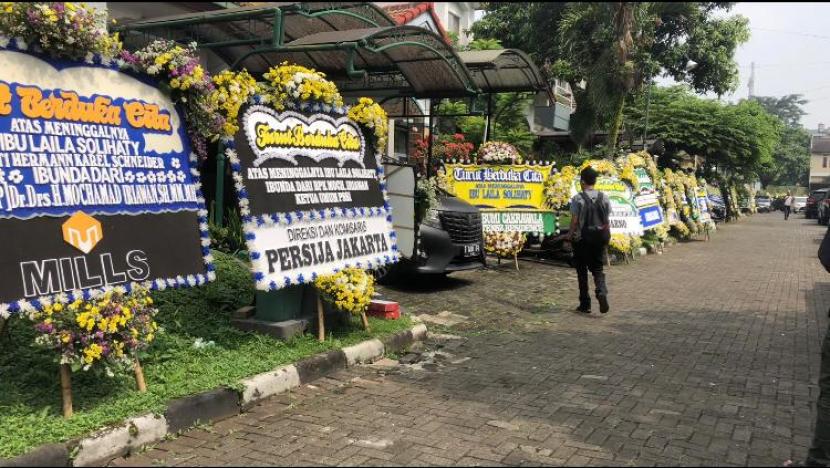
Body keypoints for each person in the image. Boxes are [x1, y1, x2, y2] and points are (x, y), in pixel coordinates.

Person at [567, 167, 611, 314]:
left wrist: (569, 235)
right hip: (599, 238)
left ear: (582, 181)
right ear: (595, 180)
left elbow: (574, 221)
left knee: (582, 271)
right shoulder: (604, 197)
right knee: (598, 268)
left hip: (582, 239)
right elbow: (607, 218)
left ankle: (585, 304)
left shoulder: (577, 198)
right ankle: (601, 291)